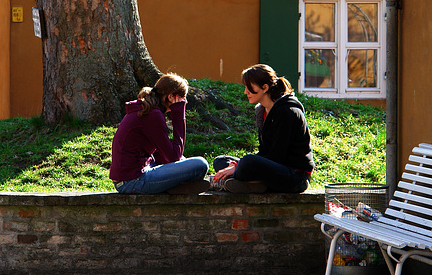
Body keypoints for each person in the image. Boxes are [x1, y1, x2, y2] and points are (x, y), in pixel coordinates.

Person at [213, 64, 314, 193]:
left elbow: (278, 156)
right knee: (220, 161)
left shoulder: (287, 111)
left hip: (294, 176)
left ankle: (237, 180)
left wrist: (240, 166)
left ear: (265, 87)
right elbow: (265, 152)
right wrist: (238, 165)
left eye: (249, 87)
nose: (245, 92)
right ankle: (250, 183)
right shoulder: (262, 111)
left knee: (248, 162)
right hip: (274, 167)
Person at [110, 73, 209, 194]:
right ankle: (181, 185)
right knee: (201, 165)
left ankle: (177, 185)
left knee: (184, 161)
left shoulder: (148, 110)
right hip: (132, 181)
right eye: (182, 98)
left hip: (131, 177)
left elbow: (164, 156)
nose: (185, 102)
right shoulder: (153, 115)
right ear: (171, 97)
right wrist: (178, 114)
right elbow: (174, 156)